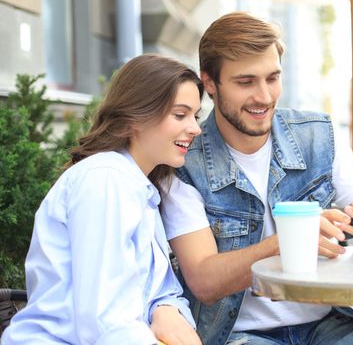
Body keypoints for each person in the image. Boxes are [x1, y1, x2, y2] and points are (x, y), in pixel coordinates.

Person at [161, 12, 353, 345]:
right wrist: (286, 243)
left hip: (330, 321)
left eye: (272, 78)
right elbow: (204, 280)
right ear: (210, 84)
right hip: (240, 335)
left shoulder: (319, 135)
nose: (264, 96)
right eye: (245, 82)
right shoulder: (183, 163)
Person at [1, 54, 203, 345]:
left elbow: (162, 292)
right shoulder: (105, 181)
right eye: (180, 114)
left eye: (195, 115)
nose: (196, 127)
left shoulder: (138, 187)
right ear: (138, 116)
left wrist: (165, 308)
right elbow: (104, 323)